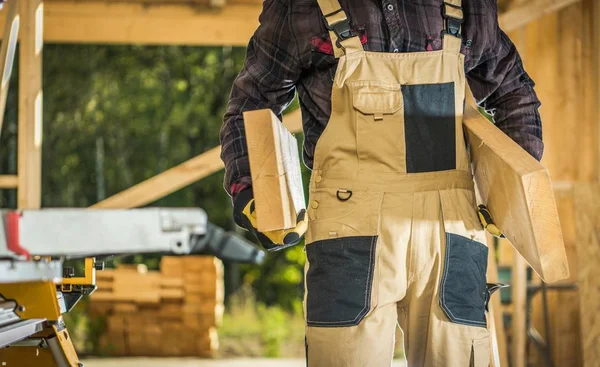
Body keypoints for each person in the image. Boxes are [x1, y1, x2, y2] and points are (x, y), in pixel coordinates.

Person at [220, 0, 542, 366]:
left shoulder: (468, 7)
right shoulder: (302, 7)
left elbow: (514, 91)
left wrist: (511, 192)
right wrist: (254, 190)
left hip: (450, 229)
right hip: (349, 228)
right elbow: (251, 102)